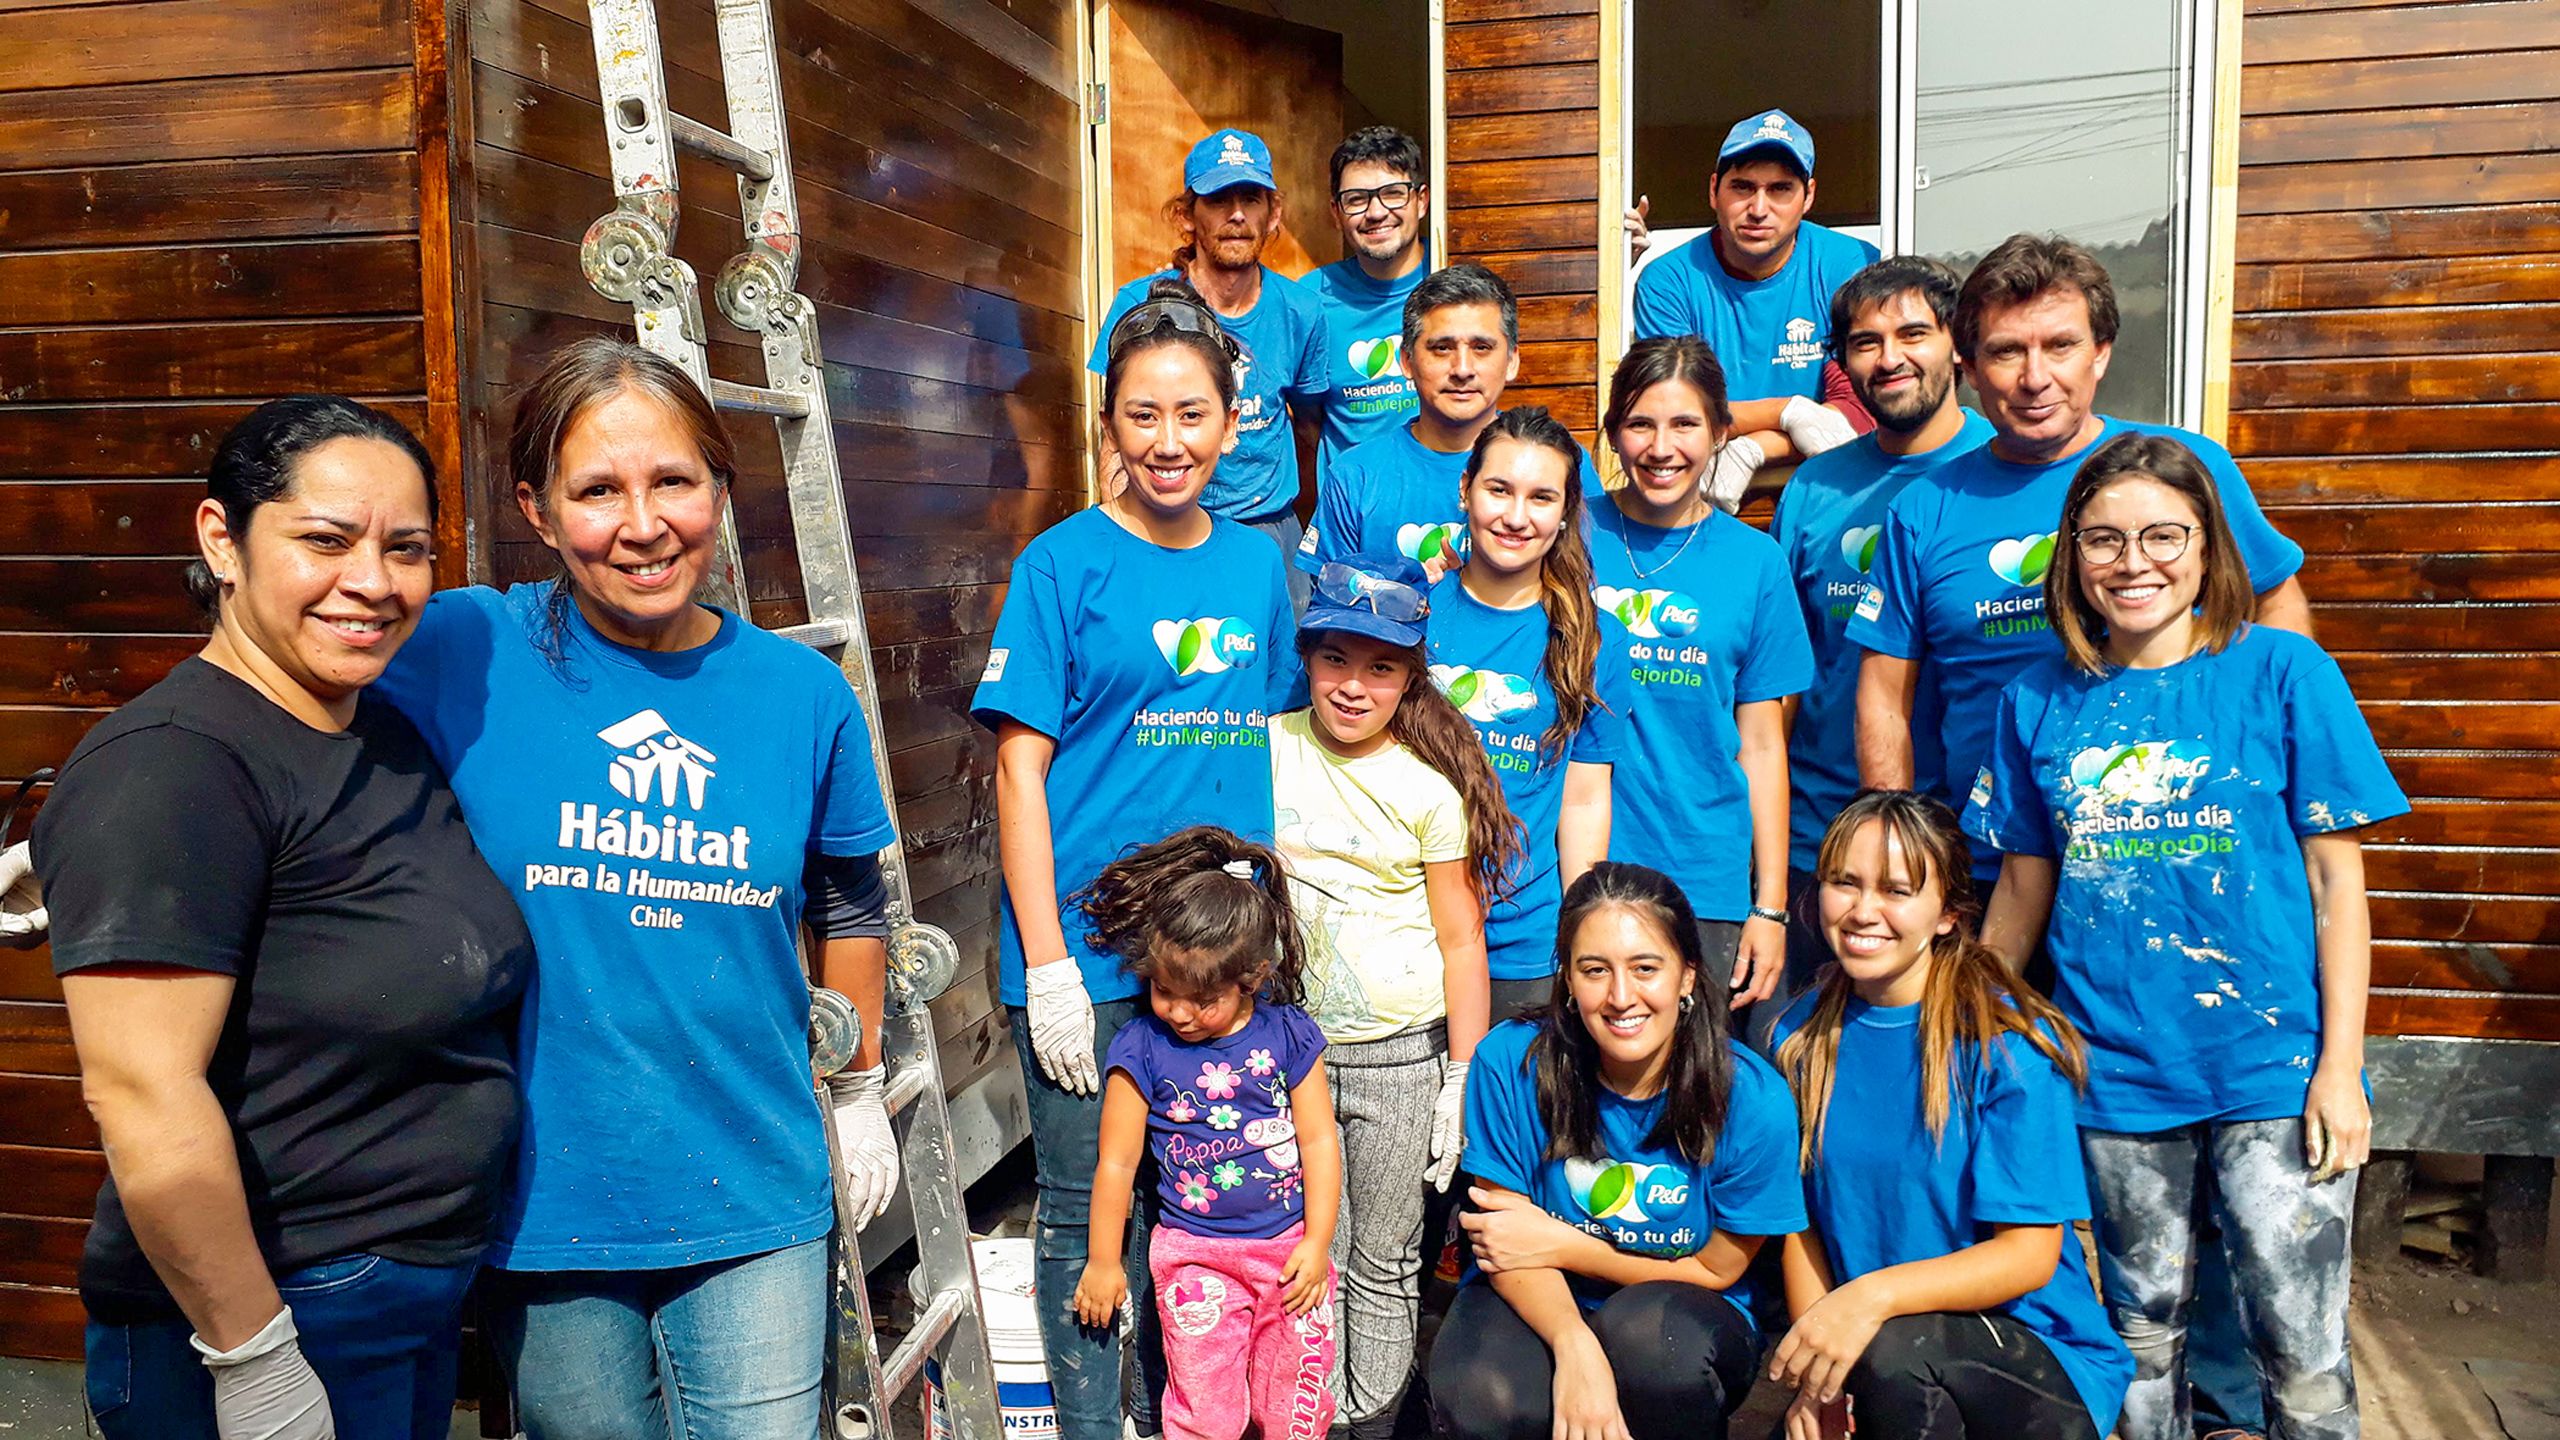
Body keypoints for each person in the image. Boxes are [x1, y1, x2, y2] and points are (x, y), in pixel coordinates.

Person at [363, 339, 903, 1440]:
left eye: (673, 482)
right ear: (539, 509)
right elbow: (298, 680)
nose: (643, 523)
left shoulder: (801, 693)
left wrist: (856, 1087)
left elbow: (850, 901)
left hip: (753, 1176)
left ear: (719, 487)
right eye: (598, 491)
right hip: (544, 1188)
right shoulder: (467, 644)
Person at [34, 397, 536, 1439]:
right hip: (271, 1317)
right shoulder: (175, 766)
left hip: (398, 1301)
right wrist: (254, 1357)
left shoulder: (378, 728)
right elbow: (140, 1091)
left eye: (406, 549)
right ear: (222, 539)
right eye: (325, 540)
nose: (373, 582)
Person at [1963, 434, 2400, 1440]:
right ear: (2071, 555)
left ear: (2208, 548)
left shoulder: (2283, 672)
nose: (2134, 562)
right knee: (2137, 1341)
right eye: (2104, 539)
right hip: (2110, 1072)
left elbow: (2339, 883)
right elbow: (2024, 886)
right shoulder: (2036, 699)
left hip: (2271, 1069)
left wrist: (2338, 1068)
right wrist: (1974, 1021)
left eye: (2164, 535)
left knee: (2299, 1348)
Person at [977, 278, 1301, 1440]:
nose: (1169, 443)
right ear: (1109, 424)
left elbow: (1267, 750)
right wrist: (1052, 967)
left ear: (1232, 419)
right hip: (1091, 961)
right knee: (1085, 1214)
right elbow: (1019, 771)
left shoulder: (1258, 570)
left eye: (1191, 415)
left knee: (1203, 1215)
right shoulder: (1061, 566)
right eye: (1142, 417)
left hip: (1218, 960)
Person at [1849, 231, 2314, 894]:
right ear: (1970, 369)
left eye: (2060, 346)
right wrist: (1897, 842)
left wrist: (2266, 755)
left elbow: (2275, 603)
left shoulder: (2185, 469)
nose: (2036, 377)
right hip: (1990, 866)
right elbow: (1885, 693)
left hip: (2181, 852)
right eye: (2007, 351)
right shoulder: (1924, 508)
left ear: (2100, 354)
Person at [1766, 789, 2130, 1440]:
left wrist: (1868, 1298)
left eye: (1897, 890)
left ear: (1947, 916)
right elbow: (1801, 1228)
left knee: (1897, 1353)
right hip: (1878, 1353)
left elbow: (2027, 1257)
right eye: (1844, 882)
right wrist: (1820, 1380)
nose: (1864, 910)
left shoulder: (2004, 1045)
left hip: (2026, 1359)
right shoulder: (1796, 1037)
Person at [1269, 551, 1517, 1439]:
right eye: (1336, 658)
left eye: (1381, 666)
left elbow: (1460, 940)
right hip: (1283, 1056)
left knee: (1382, 1257)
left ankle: (1366, 1420)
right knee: (1308, 1253)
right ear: (1307, 657)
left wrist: (1460, 1075)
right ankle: (1305, 1414)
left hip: (1398, 1058)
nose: (1352, 685)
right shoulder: (1267, 748)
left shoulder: (1429, 786)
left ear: (1411, 674)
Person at [1429, 862, 1806, 1440]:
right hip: (1535, 1289)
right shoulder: (1509, 1062)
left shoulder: (1753, 1098)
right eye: (1594, 970)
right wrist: (1574, 1343)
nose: (1621, 996)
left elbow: (1714, 1266)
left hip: (1686, 1308)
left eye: (1646, 968)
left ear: (1687, 975)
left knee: (1653, 1353)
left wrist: (1564, 1243)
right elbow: (1506, 1244)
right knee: (1488, 1397)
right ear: (1567, 979)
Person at [1071, 826, 1342, 1440]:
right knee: (1204, 1413)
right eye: (1165, 991)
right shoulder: (1140, 1046)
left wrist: (1318, 1242)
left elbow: (1320, 1141)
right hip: (1196, 1260)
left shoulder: (1289, 1035)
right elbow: (1116, 1164)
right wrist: (1104, 1261)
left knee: (1296, 1407)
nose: (1181, 1012)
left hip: (1288, 1257)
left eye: (1203, 998)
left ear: (1253, 978)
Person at [1771, 257, 1992, 1004]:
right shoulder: (1816, 485)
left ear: (1956, 343)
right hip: (1818, 840)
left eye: (1912, 334)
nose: (1889, 357)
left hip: (1970, 846)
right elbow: (1785, 674)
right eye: (1865, 342)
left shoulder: (2003, 469)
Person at [1590, 336, 1813, 1036]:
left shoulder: (1755, 562)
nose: (1662, 446)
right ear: (1614, 433)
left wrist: (1769, 906)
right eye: (1640, 424)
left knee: (1702, 1096)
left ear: (1721, 432)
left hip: (1705, 876)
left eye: (1685, 424)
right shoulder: (1570, 534)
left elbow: (1764, 746)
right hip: (1588, 871)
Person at [1424, 408, 1635, 1016]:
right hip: (1409, 936)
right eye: (1499, 490)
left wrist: (1579, 931)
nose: (1517, 517)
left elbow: (1585, 800)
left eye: (1542, 497)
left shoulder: (1595, 639)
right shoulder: (1410, 616)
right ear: (1465, 490)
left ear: (1567, 511)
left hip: (1524, 944)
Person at [1091, 129, 1330, 600]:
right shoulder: (1139, 304)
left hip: (1270, 530)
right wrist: (1124, 540)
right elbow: (1117, 440)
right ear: (1187, 216)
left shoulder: (1301, 311)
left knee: (1282, 670)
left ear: (1273, 212)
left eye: (1251, 198)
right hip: (1165, 526)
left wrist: (1300, 535)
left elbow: (1308, 434)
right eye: (1219, 199)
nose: (1237, 214)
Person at [1630, 108, 1877, 507]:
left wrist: (1756, 448)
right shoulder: (1668, 281)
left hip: (1830, 496)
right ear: (1714, 190)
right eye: (1742, 187)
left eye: (1780, 189)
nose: (1759, 208)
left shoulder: (1846, 264)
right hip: (1699, 506)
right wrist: (1788, 412)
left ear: (1808, 196)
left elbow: (1851, 418)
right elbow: (1675, 414)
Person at [1304, 263, 1590, 578]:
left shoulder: (1561, 464)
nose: (1462, 369)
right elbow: (1330, 610)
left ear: (1511, 361)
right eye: (1442, 348)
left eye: (1482, 348)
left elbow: (1584, 587)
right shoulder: (1355, 475)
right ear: (1407, 361)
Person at [1309, 126, 1432, 472]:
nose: (1376, 212)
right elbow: (1305, 420)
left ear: (1421, 201)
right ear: (1336, 212)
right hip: (1355, 512)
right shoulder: (1309, 300)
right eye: (1357, 199)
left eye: (1393, 193)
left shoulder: (1451, 279)